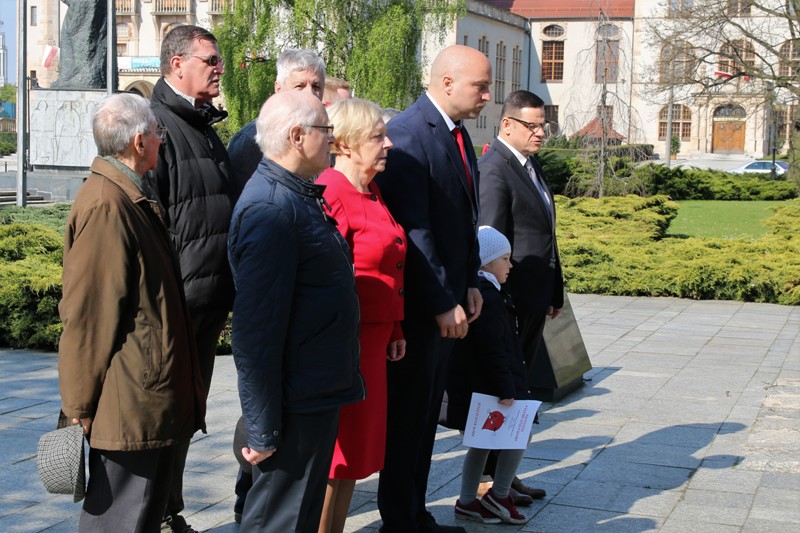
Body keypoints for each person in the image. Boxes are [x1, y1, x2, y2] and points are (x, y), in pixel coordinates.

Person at [58, 93, 205, 532]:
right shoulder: (108, 203)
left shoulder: (127, 194)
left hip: (145, 392)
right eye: (158, 133)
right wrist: (78, 406)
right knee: (121, 520)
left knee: (142, 517)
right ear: (139, 142)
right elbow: (89, 314)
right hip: (130, 399)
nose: (162, 140)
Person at [228, 90, 365, 532]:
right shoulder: (271, 208)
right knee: (278, 520)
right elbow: (255, 331)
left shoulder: (296, 194)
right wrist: (263, 427)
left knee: (298, 519)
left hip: (313, 389)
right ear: (297, 136)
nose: (333, 140)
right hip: (294, 400)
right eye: (327, 130)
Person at [374, 44, 491, 533]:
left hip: (448, 298)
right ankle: (401, 520)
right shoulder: (408, 135)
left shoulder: (455, 132)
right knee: (409, 419)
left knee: (424, 418)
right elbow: (415, 231)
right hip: (421, 309)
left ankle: (414, 515)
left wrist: (470, 281)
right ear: (447, 83)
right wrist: (444, 301)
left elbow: (461, 219)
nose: (487, 95)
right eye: (480, 86)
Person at [145, 24, 234, 533]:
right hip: (175, 305)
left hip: (205, 301)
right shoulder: (156, 125)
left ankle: (169, 510)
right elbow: (148, 223)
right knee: (165, 416)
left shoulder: (201, 123)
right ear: (177, 64)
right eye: (210, 60)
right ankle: (154, 514)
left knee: (186, 415)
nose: (220, 68)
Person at [315, 98, 407, 533]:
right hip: (344, 344)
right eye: (377, 136)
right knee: (337, 455)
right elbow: (327, 278)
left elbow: (389, 263)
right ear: (346, 144)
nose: (389, 144)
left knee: (354, 455)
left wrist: (395, 325)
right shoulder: (331, 192)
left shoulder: (371, 189)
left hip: (372, 341)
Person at [478, 90, 564, 500]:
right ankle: (487, 480)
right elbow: (489, 241)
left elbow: (546, 234)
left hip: (533, 297)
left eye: (543, 126)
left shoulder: (529, 165)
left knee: (518, 386)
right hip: (510, 300)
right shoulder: (495, 169)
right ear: (507, 124)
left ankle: (503, 475)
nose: (540, 133)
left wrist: (554, 290)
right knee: (503, 389)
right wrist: (498, 299)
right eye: (532, 125)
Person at [446, 226, 532, 526]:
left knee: (482, 442)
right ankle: (500, 494)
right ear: (485, 262)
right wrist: (506, 388)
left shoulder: (488, 292)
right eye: (505, 259)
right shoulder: (489, 297)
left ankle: (468, 500)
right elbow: (493, 349)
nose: (511, 265)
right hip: (494, 386)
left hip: (484, 384)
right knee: (521, 432)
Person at [227, 48, 326, 192]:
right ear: (278, 89)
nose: (310, 94)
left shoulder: (325, 136)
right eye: (300, 86)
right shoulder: (249, 141)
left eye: (316, 86)